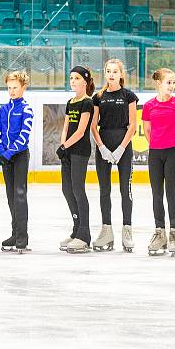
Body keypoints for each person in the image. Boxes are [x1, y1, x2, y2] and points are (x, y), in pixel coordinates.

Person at [142, 68, 175, 257]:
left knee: (171, 194)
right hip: (155, 153)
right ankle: (159, 232)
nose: (171, 86)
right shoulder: (149, 106)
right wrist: (156, 144)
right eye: (168, 82)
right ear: (159, 83)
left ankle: (174, 233)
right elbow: (147, 130)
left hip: (173, 153)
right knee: (156, 194)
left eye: (173, 82)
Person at [91, 59, 138, 253]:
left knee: (125, 190)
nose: (111, 74)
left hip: (123, 145)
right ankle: (106, 230)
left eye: (115, 71)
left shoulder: (128, 96)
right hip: (104, 144)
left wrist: (121, 148)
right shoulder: (98, 96)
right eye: (108, 71)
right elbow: (93, 126)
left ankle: (127, 230)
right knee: (104, 190)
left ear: (121, 74)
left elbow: (133, 126)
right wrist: (101, 147)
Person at [0, 71, 34, 253]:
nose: (11, 91)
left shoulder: (26, 109)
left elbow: (24, 135)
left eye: (15, 88)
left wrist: (9, 152)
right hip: (6, 156)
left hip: (19, 156)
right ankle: (15, 232)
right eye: (9, 88)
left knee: (19, 194)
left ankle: (22, 236)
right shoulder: (2, 109)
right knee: (10, 194)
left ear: (23, 87)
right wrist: (2, 150)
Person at [58, 66, 95, 254]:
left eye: (77, 78)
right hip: (68, 151)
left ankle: (84, 234)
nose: (73, 81)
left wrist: (66, 146)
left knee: (78, 189)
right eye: (71, 77)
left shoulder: (87, 103)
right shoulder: (70, 102)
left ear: (85, 82)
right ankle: (76, 229)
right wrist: (63, 145)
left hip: (80, 151)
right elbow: (66, 127)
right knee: (67, 189)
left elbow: (81, 131)